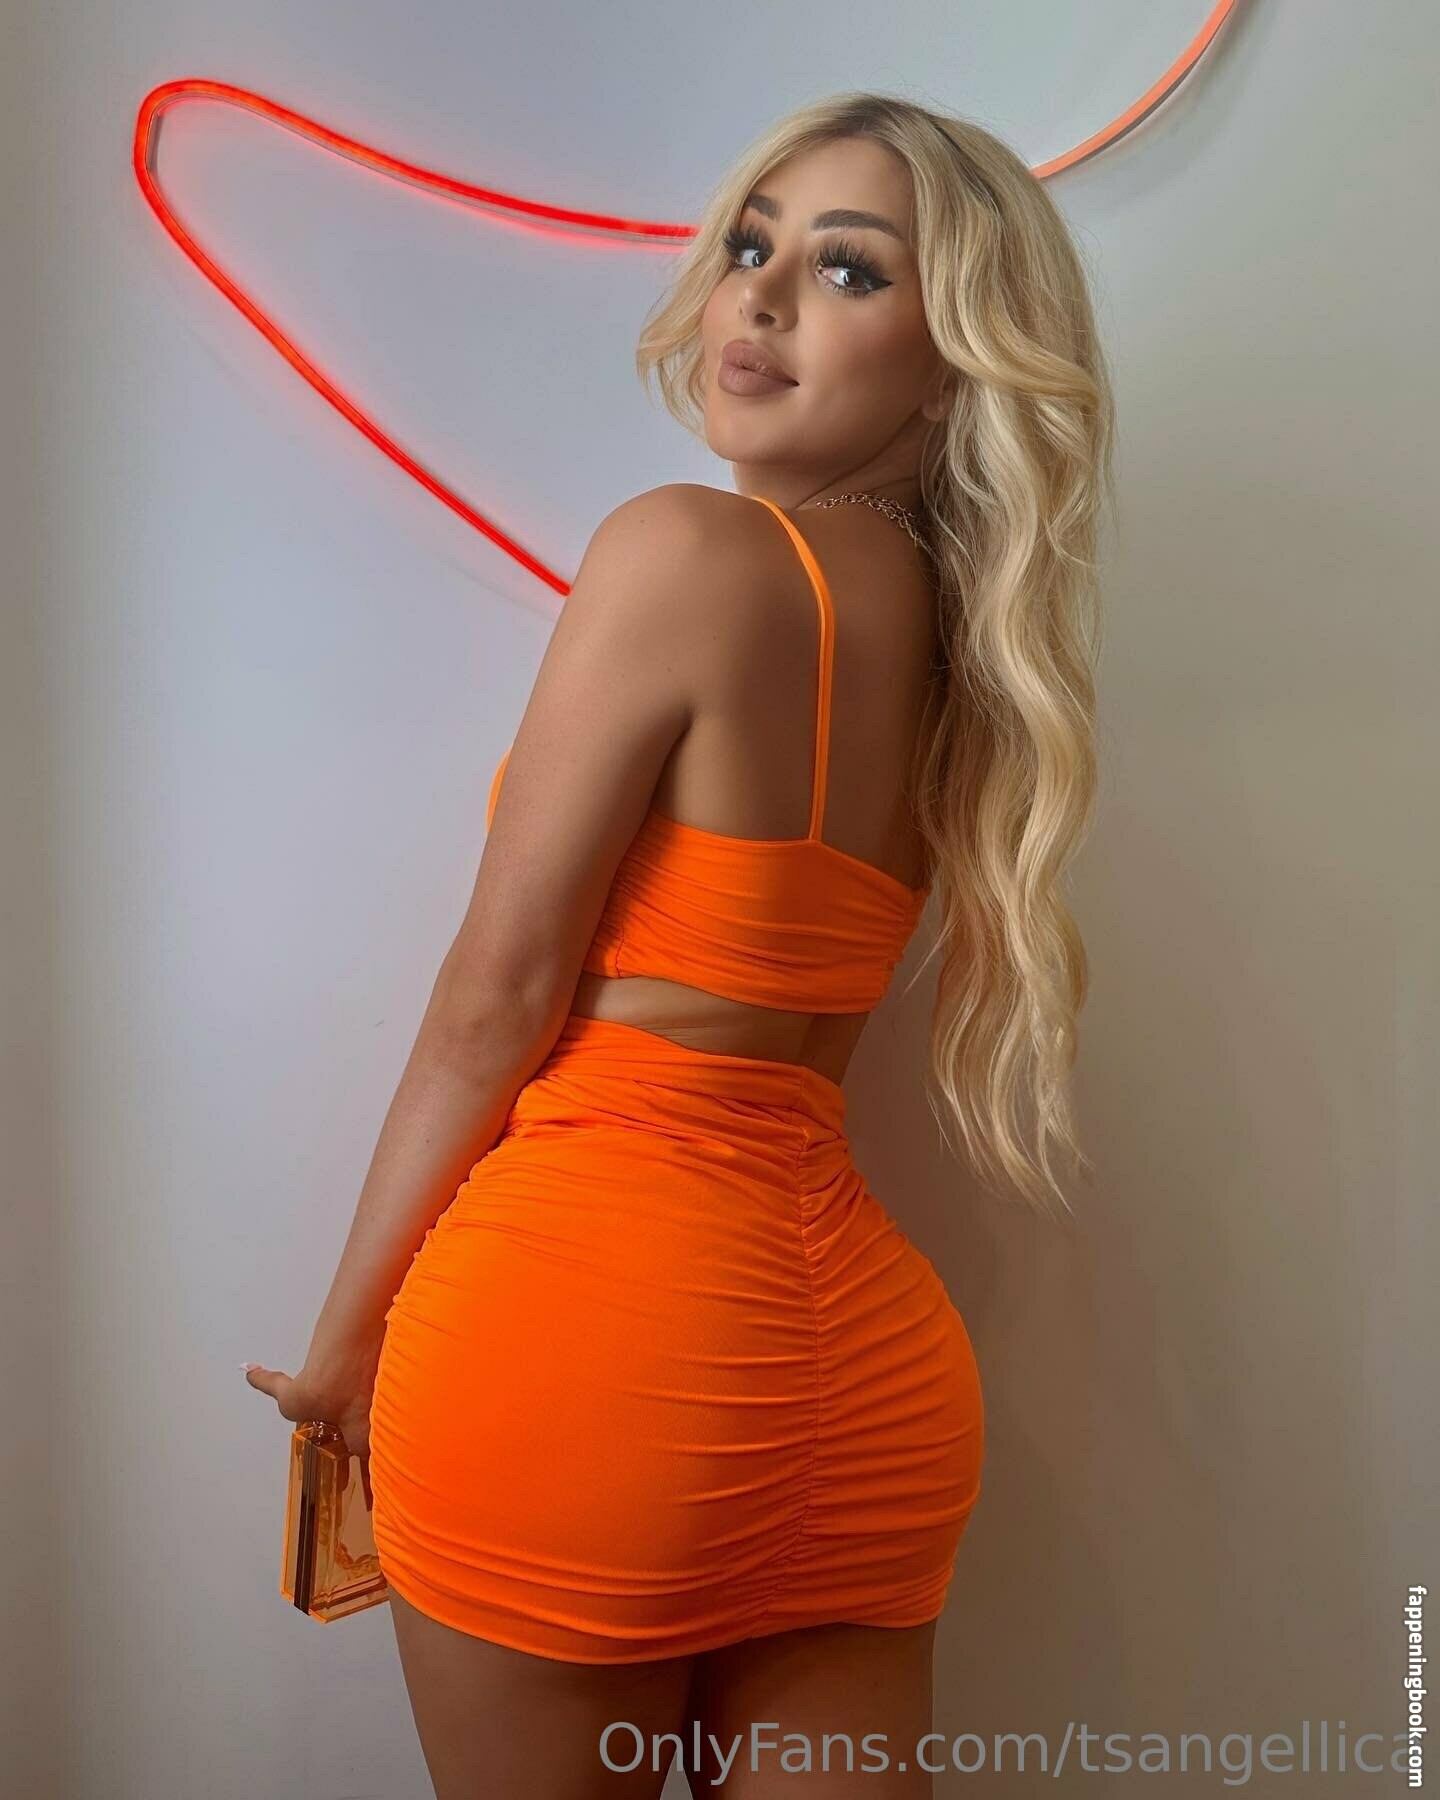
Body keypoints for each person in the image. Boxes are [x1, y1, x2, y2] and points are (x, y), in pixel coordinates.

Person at [247, 90, 1114, 1797]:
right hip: (867, 1389)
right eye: (751, 246)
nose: (762, 297)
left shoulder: (684, 550)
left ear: (953, 362)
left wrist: (346, 1345)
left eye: (849, 269)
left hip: (593, 1345)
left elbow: (495, 1001)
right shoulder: (969, 656)